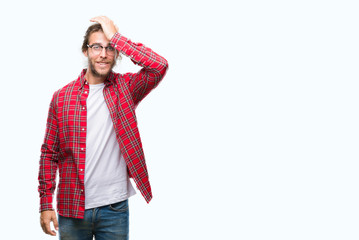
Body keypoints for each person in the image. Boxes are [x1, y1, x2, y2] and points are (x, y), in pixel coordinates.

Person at [38, 16, 168, 239]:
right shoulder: (61, 98)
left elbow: (159, 66)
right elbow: (49, 153)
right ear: (85, 51)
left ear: (117, 52)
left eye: (110, 48)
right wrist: (45, 204)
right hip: (72, 207)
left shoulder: (126, 88)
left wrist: (118, 38)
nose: (103, 54)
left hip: (114, 207)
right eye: (96, 47)